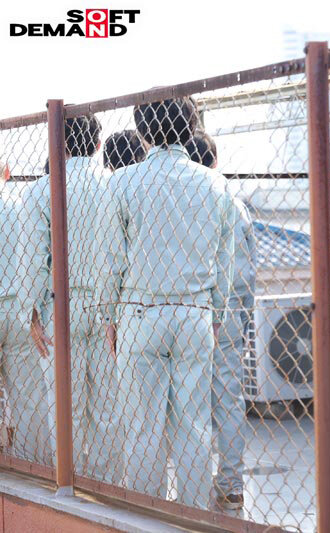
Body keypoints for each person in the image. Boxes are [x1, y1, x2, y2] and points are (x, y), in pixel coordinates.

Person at [97, 97, 236, 508]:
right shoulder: (216, 185)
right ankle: (194, 514)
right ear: (190, 128)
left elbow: (111, 260)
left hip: (139, 311)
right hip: (195, 311)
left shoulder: (122, 183)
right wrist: (216, 314)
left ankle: (146, 515)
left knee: (143, 426)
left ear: (143, 131)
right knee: (193, 424)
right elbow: (224, 261)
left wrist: (109, 318)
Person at [18, 113, 121, 482]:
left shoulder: (40, 191)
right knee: (109, 408)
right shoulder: (113, 184)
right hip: (107, 305)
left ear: (58, 144)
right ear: (98, 144)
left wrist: (31, 313)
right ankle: (108, 486)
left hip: (59, 303)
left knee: (65, 405)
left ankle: (70, 483)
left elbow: (34, 259)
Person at [186, 130, 256, 510]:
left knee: (190, 398)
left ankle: (194, 484)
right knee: (229, 397)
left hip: (195, 306)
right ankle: (231, 484)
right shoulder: (235, 203)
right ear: (215, 161)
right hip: (230, 309)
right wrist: (244, 315)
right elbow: (250, 268)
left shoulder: (188, 200)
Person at [0, 160, 51, 464]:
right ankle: (32, 465)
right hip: (19, 307)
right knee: (29, 398)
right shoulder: (21, 206)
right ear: (6, 171)